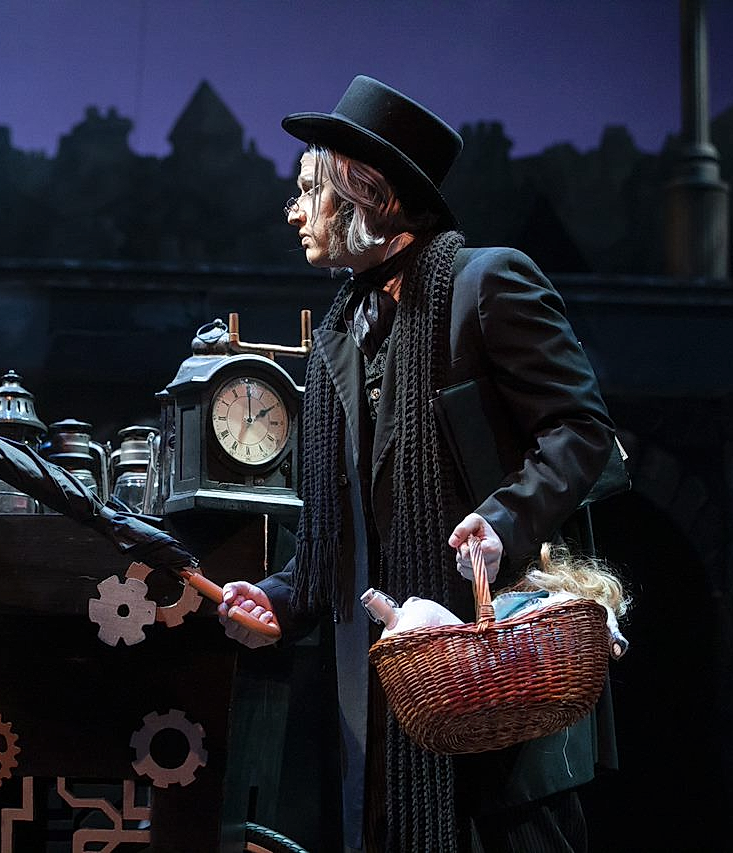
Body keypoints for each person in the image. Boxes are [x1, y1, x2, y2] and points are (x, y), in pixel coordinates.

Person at [218, 77, 617, 852]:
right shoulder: (339, 337)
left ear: (369, 196)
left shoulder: (485, 284)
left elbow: (579, 428)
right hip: (391, 704)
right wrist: (278, 598)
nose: (294, 212)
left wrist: (501, 521)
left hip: (499, 679)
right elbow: (342, 531)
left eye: (311, 190)